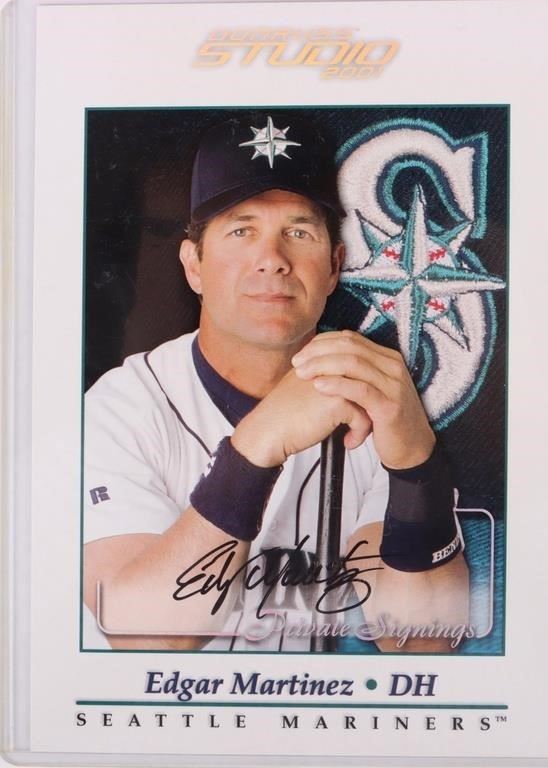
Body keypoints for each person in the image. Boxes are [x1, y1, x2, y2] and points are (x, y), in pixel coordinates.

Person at [83, 114, 469, 652]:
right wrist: (256, 445)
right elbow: (144, 637)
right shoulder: (121, 407)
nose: (272, 260)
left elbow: (417, 642)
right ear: (194, 265)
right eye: (241, 230)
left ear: (333, 267)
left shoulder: (374, 398)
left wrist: (414, 467)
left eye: (298, 232)